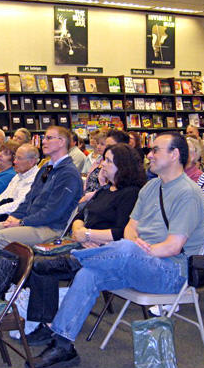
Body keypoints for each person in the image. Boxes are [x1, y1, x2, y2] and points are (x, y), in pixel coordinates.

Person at [26, 132, 204, 368]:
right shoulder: (152, 186)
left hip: (171, 270)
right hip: (138, 261)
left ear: (174, 155)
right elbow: (131, 228)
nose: (149, 155)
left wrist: (140, 249)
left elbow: (173, 246)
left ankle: (73, 260)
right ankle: (62, 345)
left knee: (122, 249)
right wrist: (136, 247)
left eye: (156, 150)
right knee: (89, 274)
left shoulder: (188, 193)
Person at [24, 143, 147, 346]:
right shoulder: (105, 190)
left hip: (102, 251)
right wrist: (81, 232)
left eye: (108, 161)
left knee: (40, 265)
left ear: (122, 166)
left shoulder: (131, 194)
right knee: (35, 259)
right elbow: (80, 215)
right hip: (82, 243)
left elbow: (121, 232)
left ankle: (46, 324)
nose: (102, 164)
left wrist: (88, 235)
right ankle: (44, 321)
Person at [0, 126, 83, 248]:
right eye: (44, 138)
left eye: (49, 138)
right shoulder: (47, 168)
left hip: (50, 228)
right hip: (32, 222)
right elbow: (30, 198)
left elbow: (53, 212)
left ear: (62, 142)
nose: (44, 141)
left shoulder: (68, 174)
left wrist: (22, 222)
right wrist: (14, 216)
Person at [0, 144, 39, 221]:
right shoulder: (18, 176)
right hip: (1, 212)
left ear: (31, 162)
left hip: (13, 217)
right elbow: (3, 197)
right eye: (15, 157)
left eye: (19, 158)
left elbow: (18, 204)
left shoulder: (34, 179)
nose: (14, 162)